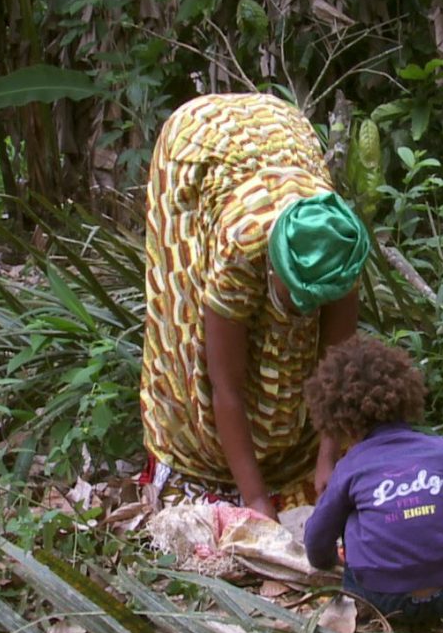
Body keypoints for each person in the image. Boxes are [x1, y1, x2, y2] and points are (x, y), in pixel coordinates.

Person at [140, 93, 370, 519]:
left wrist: (327, 457)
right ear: (272, 267)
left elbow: (338, 362)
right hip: (197, 151)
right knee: (189, 332)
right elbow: (225, 386)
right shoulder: (240, 250)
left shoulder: (341, 243)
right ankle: (226, 470)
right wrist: (257, 501)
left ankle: (293, 458)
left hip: (282, 136)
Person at [303, 337, 443, 625]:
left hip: (381, 597)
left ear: (339, 421)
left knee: (353, 521)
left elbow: (316, 540)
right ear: (406, 395)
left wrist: (329, 560)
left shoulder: (350, 467)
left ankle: (367, 606)